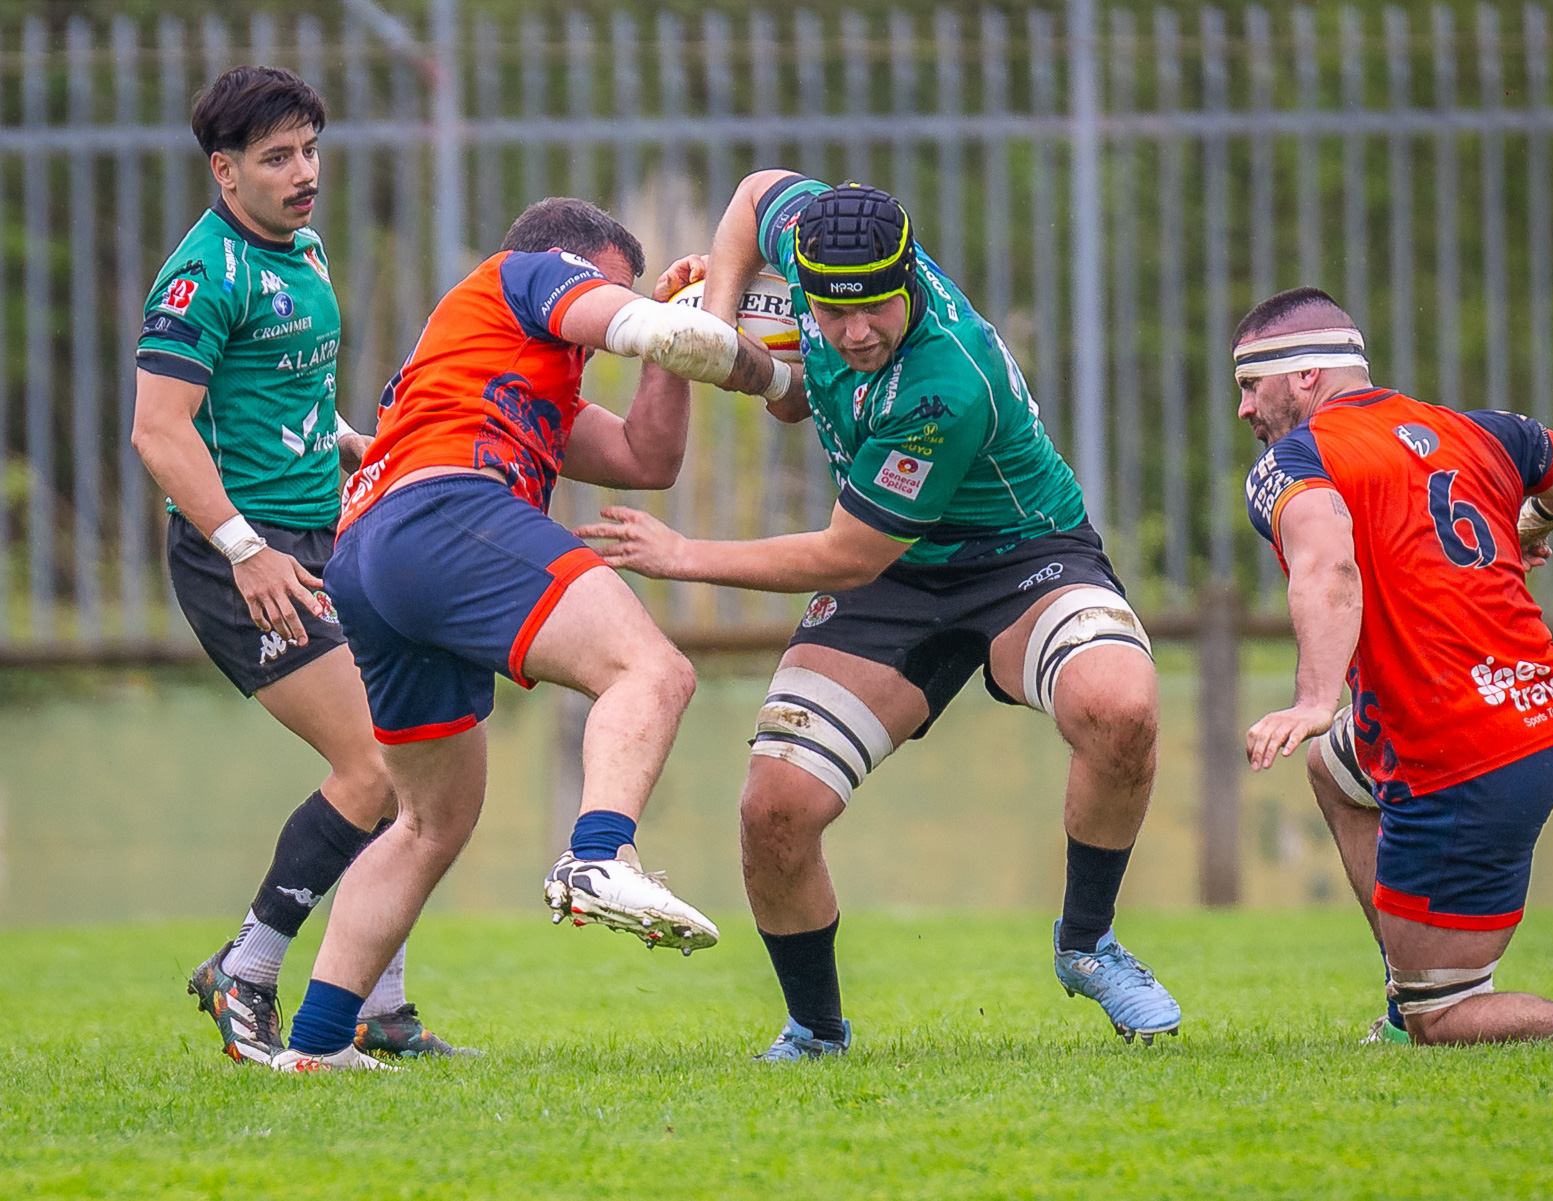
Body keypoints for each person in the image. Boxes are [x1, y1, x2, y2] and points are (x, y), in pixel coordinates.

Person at [588, 174, 1179, 1060]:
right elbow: (754, 194)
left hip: (1021, 556)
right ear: (808, 283)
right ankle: (817, 1031)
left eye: (878, 311)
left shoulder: (946, 379)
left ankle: (1088, 944)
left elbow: (847, 555)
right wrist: (719, 320)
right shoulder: (813, 237)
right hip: (897, 582)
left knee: (1121, 706)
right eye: (834, 313)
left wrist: (684, 555)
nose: (857, 330)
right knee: (775, 811)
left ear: (909, 279)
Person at [270, 195, 801, 1071]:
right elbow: (644, 329)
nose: (594, 337)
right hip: (444, 513)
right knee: (652, 672)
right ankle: (599, 856)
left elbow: (647, 461)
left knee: (429, 821)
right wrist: (777, 374)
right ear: (570, 268)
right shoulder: (525, 273)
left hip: (368, 555)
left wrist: (667, 331)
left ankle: (319, 1044)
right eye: (604, 294)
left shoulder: (504, 368)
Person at [1236, 286, 1553, 1047]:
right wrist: (1532, 517)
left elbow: (1328, 566)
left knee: (1440, 1018)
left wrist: (1314, 696)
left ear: (1306, 376)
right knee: (1334, 767)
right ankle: (1405, 975)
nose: (1245, 408)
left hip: (1462, 749)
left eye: (1252, 384)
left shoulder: (1297, 460)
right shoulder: (1472, 431)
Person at [131, 65, 466, 1063]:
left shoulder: (306, 251)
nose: (303, 173)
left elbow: (294, 400)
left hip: (324, 537)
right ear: (224, 173)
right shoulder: (203, 276)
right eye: (277, 158)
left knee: (412, 768)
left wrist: (358, 447)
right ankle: (250, 972)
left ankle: (380, 1008)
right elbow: (161, 431)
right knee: (375, 765)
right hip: (242, 556)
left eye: (310, 150)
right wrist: (243, 550)